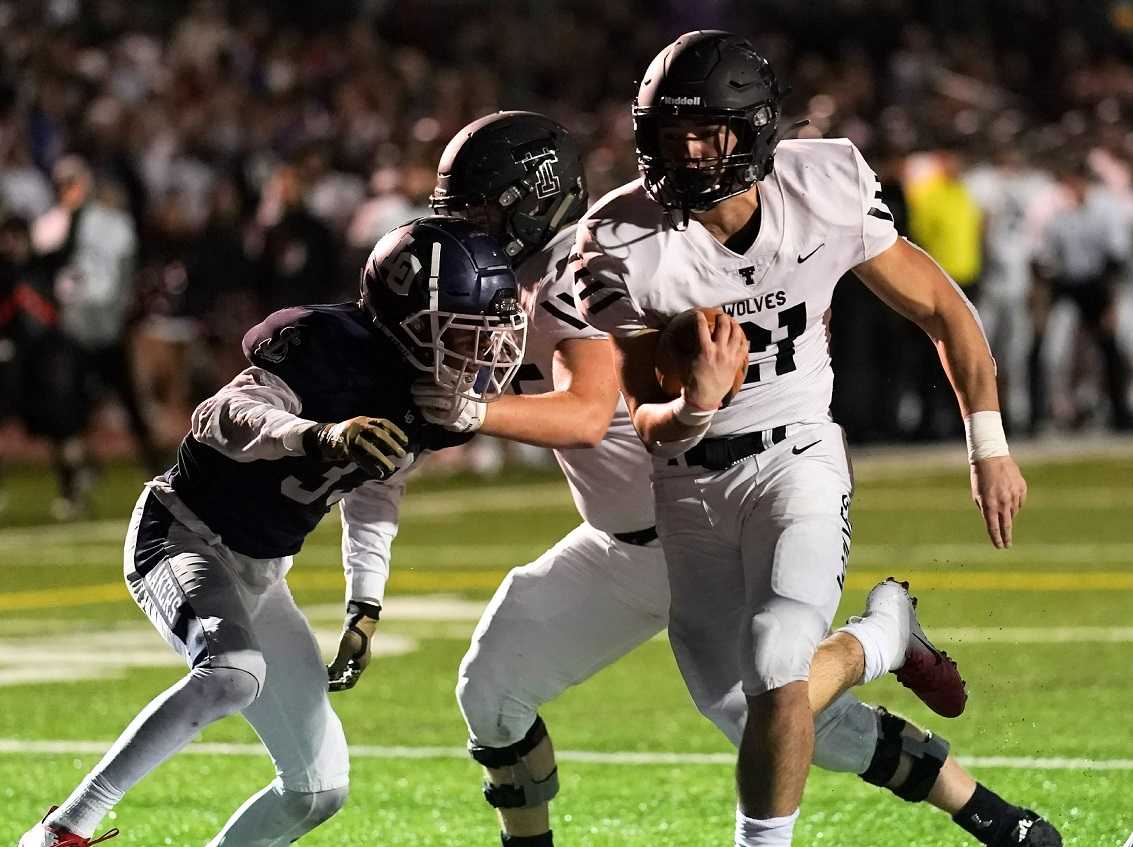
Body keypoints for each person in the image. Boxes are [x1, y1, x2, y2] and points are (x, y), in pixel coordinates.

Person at [417, 111, 1056, 847]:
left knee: (771, 703)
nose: (465, 226)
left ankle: (908, 684)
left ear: (532, 199)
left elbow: (587, 413)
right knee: (489, 687)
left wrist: (466, 410)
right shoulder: (497, 278)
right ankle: (988, 807)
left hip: (698, 516)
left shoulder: (587, 264)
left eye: (478, 208)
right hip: (614, 541)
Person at [572, 32, 1030, 847]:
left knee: (779, 656)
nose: (684, 150)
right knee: (740, 703)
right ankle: (884, 637)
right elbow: (641, 413)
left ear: (750, 130)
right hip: (688, 481)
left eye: (704, 131)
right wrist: (696, 407)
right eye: (667, 132)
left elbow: (940, 309)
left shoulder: (822, 183)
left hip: (799, 458)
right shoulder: (618, 242)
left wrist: (986, 442)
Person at [17, 216, 528, 847]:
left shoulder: (426, 398)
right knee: (232, 671)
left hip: (261, 569)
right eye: (463, 334)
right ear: (408, 318)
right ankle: (63, 830)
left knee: (317, 790)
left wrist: (365, 603)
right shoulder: (327, 344)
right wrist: (316, 434)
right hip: (180, 533)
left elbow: (378, 484)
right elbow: (218, 416)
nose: (483, 355)